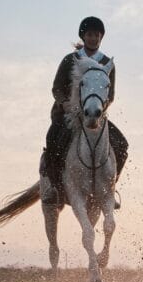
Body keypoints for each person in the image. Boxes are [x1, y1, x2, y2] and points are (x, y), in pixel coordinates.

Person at [42, 16, 129, 206]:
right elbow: (56, 88)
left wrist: (99, 109)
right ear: (84, 36)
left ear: (101, 37)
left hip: (95, 115)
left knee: (122, 145)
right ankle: (54, 187)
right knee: (53, 138)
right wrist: (65, 104)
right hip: (68, 113)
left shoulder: (107, 63)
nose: (93, 38)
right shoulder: (70, 59)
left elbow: (110, 95)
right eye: (90, 34)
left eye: (97, 35)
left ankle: (110, 189)